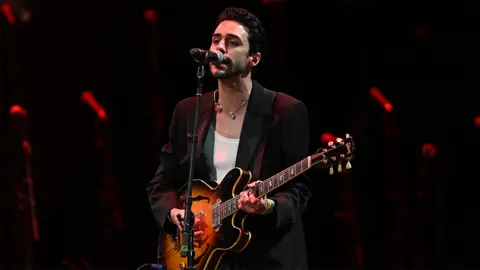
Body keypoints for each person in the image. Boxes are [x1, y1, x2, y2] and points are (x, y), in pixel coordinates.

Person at [146, 7, 311, 270]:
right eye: (216, 40)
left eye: (232, 43)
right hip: (204, 258)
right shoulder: (189, 111)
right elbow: (162, 182)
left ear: (253, 59)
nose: (220, 47)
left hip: (265, 257)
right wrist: (174, 214)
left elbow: (299, 189)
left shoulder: (285, 111)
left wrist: (267, 206)